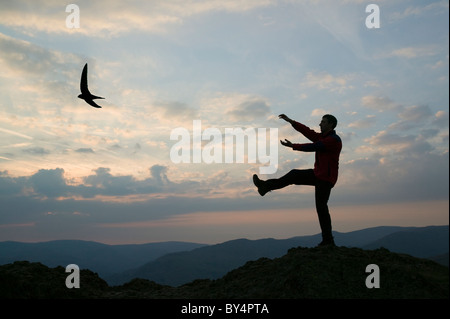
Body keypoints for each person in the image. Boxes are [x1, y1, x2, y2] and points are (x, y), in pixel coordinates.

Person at [253, 114, 342, 246]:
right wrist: (291, 122)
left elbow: (312, 147)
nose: (320, 124)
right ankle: (265, 186)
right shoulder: (322, 137)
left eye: (323, 122)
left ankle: (328, 240)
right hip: (318, 174)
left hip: (326, 178)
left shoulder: (333, 140)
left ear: (331, 125)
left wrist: (293, 145)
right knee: (294, 175)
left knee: (321, 207)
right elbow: (307, 131)